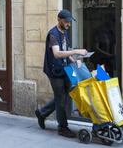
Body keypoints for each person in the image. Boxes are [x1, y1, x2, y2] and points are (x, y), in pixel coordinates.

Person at [35, 9, 88, 138]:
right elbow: (57, 53)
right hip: (54, 71)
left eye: (69, 22)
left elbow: (65, 50)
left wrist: (73, 59)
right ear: (59, 20)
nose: (68, 24)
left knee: (67, 94)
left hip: (65, 68)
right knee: (61, 98)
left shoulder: (64, 32)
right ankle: (62, 128)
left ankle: (42, 113)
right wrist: (77, 51)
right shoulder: (53, 34)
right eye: (66, 22)